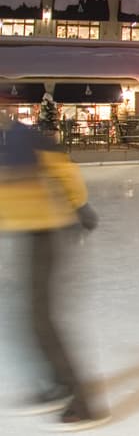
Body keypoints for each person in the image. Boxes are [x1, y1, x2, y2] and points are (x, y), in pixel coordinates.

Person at [0, 112, 108, 430]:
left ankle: (85, 402)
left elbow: (62, 166)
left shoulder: (21, 135)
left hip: (47, 229)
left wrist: (78, 205)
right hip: (26, 230)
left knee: (41, 319)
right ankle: (59, 384)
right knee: (28, 318)